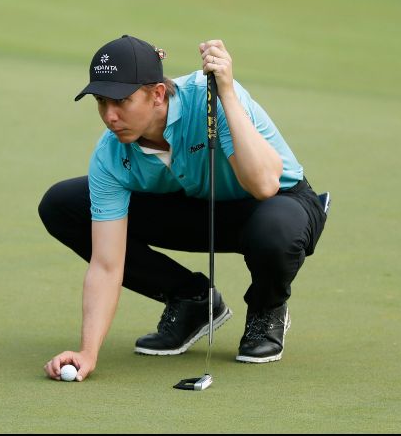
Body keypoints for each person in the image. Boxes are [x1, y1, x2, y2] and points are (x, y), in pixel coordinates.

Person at [39, 35, 327, 382]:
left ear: (157, 94)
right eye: (101, 102)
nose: (110, 116)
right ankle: (190, 300)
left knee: (275, 228)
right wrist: (88, 350)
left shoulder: (211, 98)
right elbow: (106, 263)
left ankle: (267, 309)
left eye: (121, 101)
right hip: (199, 207)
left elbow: (265, 185)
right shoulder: (111, 155)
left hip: (277, 203)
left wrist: (229, 96)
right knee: (64, 204)